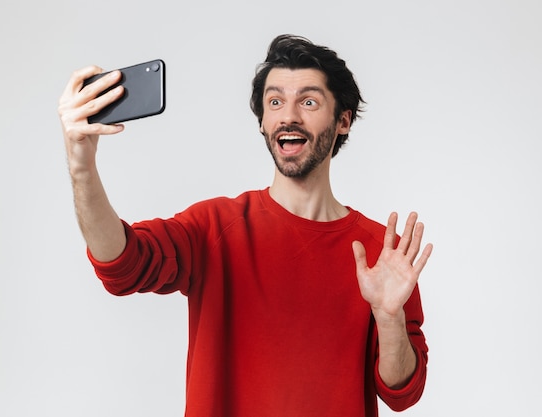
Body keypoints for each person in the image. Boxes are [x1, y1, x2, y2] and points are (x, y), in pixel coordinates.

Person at [58, 34, 433, 417]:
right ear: (262, 123)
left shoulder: (382, 253)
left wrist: (389, 319)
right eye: (275, 102)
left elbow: (402, 391)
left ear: (342, 121)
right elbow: (122, 265)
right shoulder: (215, 227)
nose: (288, 115)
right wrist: (81, 164)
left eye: (308, 101)